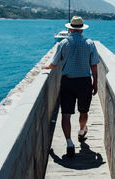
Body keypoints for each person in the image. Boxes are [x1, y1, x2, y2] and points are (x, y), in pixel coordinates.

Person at [42, 16, 99, 157]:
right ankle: (81, 131)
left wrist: (46, 66)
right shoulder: (90, 43)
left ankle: (69, 143)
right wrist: (95, 82)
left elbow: (54, 64)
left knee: (66, 114)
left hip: (67, 82)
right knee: (83, 111)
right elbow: (94, 65)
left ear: (70, 28)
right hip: (85, 82)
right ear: (81, 29)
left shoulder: (63, 43)